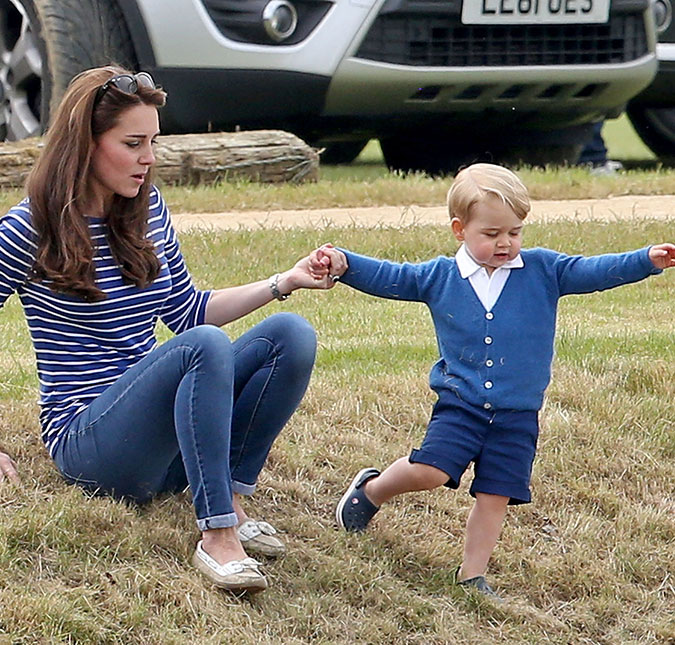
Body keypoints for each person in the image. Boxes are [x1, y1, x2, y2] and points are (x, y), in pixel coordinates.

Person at [0, 65, 336, 594]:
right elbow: (195, 340)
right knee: (202, 349)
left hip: (164, 446)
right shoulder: (29, 226)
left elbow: (187, 312)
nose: (149, 158)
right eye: (133, 143)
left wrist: (284, 281)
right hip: (90, 445)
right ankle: (219, 535)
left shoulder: (147, 209)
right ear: (84, 144)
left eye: (153, 142)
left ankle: (231, 496)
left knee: (289, 334)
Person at [313, 163, 674, 599]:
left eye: (515, 232)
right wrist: (344, 263)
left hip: (518, 413)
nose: (505, 243)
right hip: (460, 404)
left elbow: (593, 270)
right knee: (429, 470)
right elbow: (392, 276)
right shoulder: (439, 277)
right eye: (492, 234)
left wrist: (645, 260)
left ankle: (471, 576)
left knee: (495, 495)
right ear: (459, 229)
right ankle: (371, 490)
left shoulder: (543, 270)